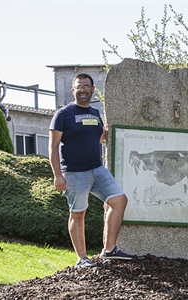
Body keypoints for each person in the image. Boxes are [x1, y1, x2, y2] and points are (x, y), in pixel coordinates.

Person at [49, 73, 131, 268]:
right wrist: (57, 175)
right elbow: (53, 146)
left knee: (119, 200)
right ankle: (82, 259)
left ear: (93, 90)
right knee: (78, 213)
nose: (83, 89)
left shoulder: (95, 113)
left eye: (87, 86)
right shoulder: (63, 114)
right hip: (74, 172)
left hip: (97, 169)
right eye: (79, 86)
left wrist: (113, 131)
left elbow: (99, 137)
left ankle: (109, 250)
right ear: (73, 90)